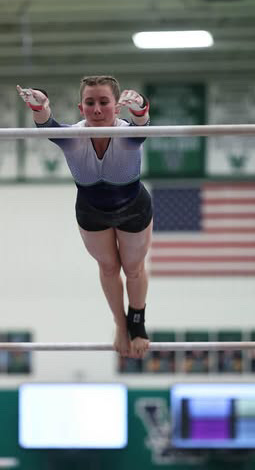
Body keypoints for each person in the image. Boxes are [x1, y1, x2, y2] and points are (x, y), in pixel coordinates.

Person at [17, 76, 153, 359]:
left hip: (133, 208)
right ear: (81, 108)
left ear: (117, 108)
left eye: (104, 102)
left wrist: (140, 106)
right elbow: (48, 127)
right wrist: (40, 107)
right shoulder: (73, 138)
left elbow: (142, 127)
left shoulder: (127, 135)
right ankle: (120, 324)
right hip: (92, 211)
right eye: (90, 103)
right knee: (107, 268)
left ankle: (137, 324)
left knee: (133, 268)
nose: (97, 109)